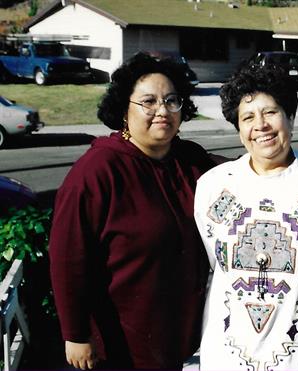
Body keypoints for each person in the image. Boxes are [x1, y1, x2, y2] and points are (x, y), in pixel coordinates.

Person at [49, 52, 215, 369]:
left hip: (177, 337)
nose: (162, 111)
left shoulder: (191, 161)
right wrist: (75, 334)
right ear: (124, 109)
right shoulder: (97, 171)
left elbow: (245, 179)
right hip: (118, 345)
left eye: (171, 100)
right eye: (148, 102)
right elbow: (67, 257)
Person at [193, 64, 298, 371]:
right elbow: (215, 261)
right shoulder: (213, 185)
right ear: (238, 128)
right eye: (248, 117)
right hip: (226, 357)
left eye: (270, 112)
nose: (261, 126)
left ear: (290, 117)